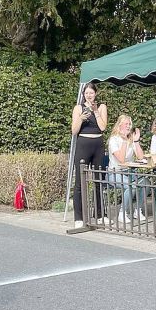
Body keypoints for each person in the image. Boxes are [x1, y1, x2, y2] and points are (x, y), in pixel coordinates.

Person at [70, 83, 108, 228]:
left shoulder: (101, 107)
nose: (89, 95)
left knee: (98, 180)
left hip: (98, 144)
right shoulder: (78, 108)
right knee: (80, 182)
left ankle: (99, 215)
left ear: (95, 94)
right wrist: (80, 118)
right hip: (83, 145)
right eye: (86, 93)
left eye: (91, 92)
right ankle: (78, 217)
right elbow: (74, 131)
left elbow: (103, 127)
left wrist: (95, 111)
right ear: (83, 94)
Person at [108, 114, 146, 224]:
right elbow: (121, 160)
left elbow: (140, 157)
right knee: (131, 186)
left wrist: (136, 141)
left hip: (129, 172)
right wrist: (124, 141)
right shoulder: (113, 140)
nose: (129, 126)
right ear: (119, 126)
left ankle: (137, 210)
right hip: (115, 173)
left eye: (130, 124)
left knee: (146, 183)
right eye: (126, 124)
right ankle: (122, 213)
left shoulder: (131, 140)